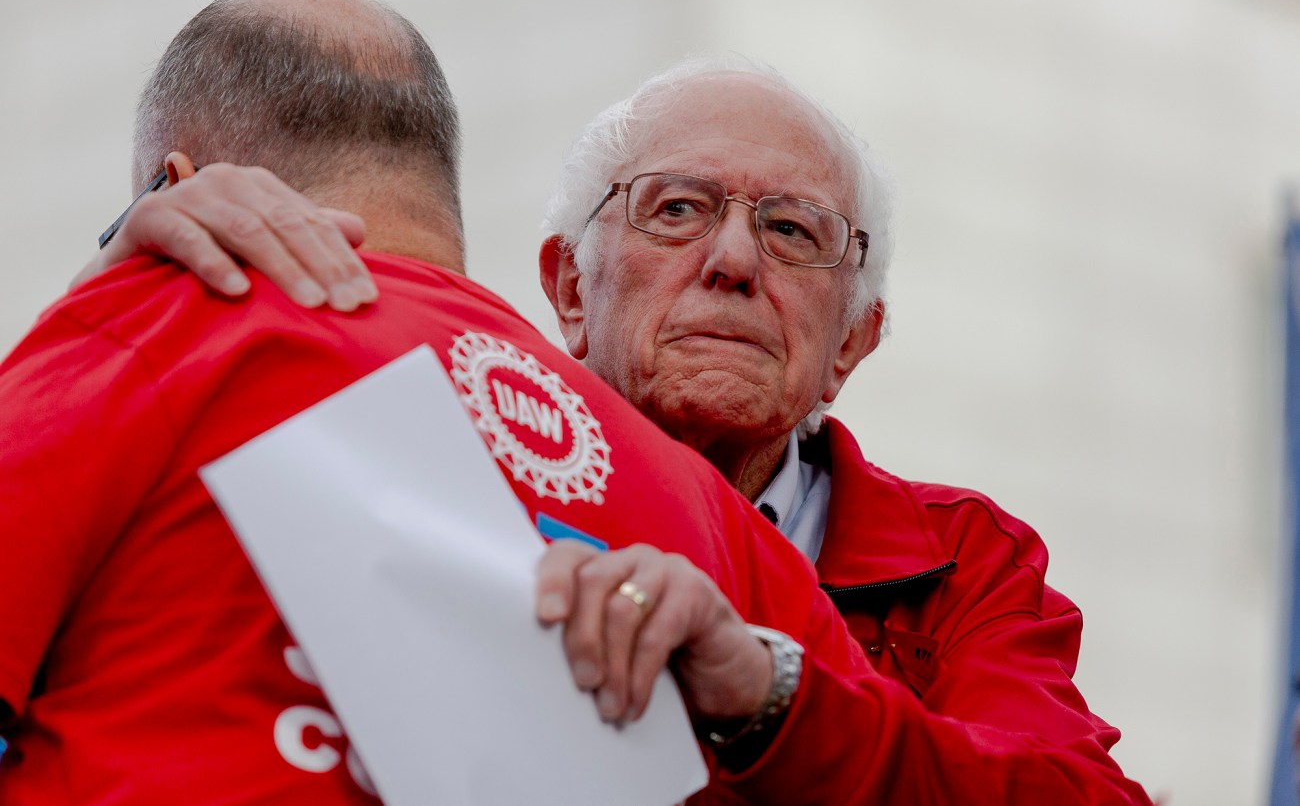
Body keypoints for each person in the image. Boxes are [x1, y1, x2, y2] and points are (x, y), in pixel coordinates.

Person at [97, 46, 1158, 801]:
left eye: (793, 230)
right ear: (567, 286)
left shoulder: (964, 564)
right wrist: (124, 303)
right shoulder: (416, 445)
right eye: (677, 209)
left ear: (852, 342)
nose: (734, 261)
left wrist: (771, 692)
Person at [0, 0, 886, 805]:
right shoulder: (717, 522)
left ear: (175, 190)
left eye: (790, 230)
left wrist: (103, 306)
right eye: (679, 210)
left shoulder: (158, 324)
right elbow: (890, 760)